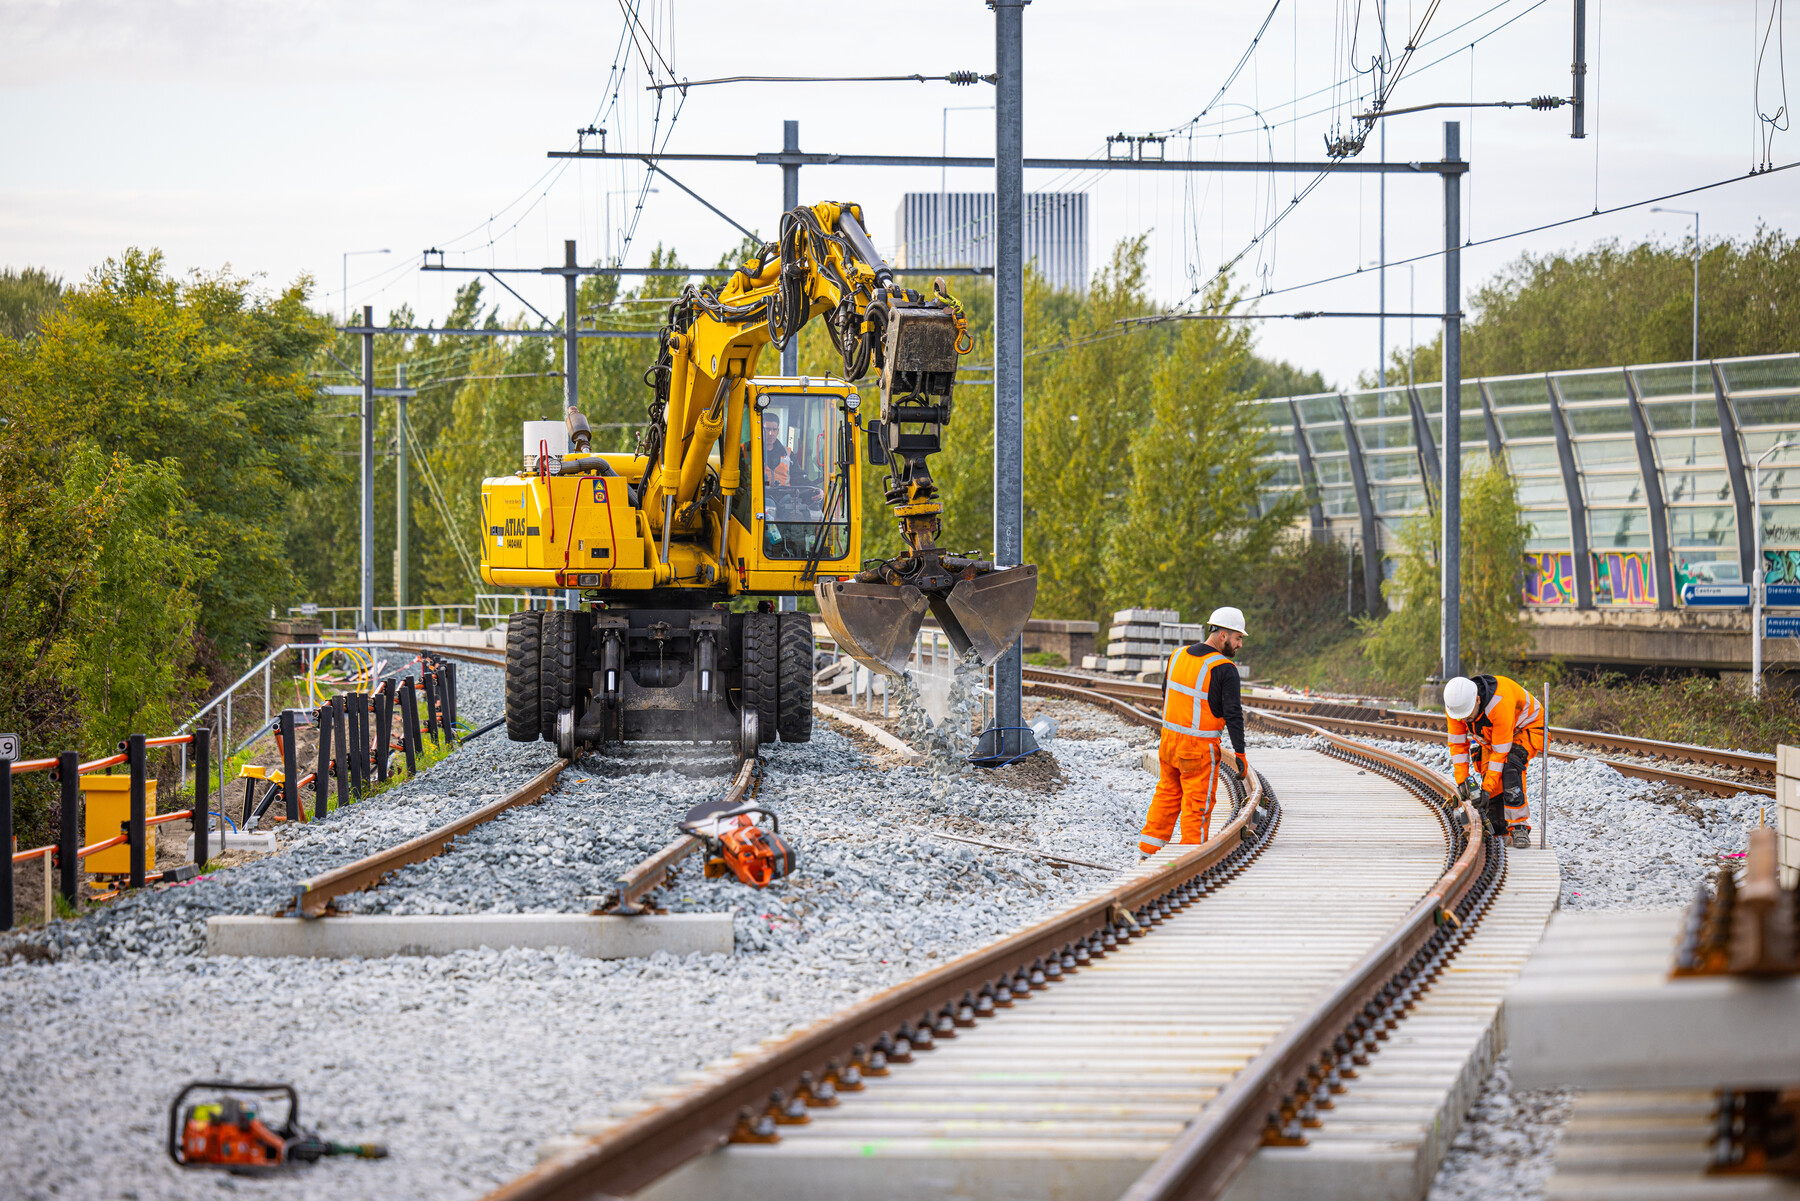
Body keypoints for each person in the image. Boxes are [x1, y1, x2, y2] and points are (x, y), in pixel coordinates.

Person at [1138, 607, 1250, 856]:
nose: (1240, 644)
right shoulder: (1224, 668)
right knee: (1197, 804)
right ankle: (1191, 858)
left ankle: (1147, 852)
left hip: (1168, 742)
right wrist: (1240, 753)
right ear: (1223, 635)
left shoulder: (1178, 655)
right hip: (1198, 749)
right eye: (1238, 638)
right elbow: (1233, 714)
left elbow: (1166, 694)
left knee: (1167, 793)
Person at [1443, 673, 1541, 849]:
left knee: (1510, 765)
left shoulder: (1499, 703)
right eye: (1461, 717)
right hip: (1495, 734)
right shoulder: (1456, 706)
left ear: (1478, 700)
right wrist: (1462, 780)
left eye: (1467, 715)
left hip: (1528, 727)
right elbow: (1457, 745)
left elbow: (1500, 753)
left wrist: (1486, 790)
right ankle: (1498, 825)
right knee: (1487, 767)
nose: (1464, 720)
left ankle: (1519, 826)